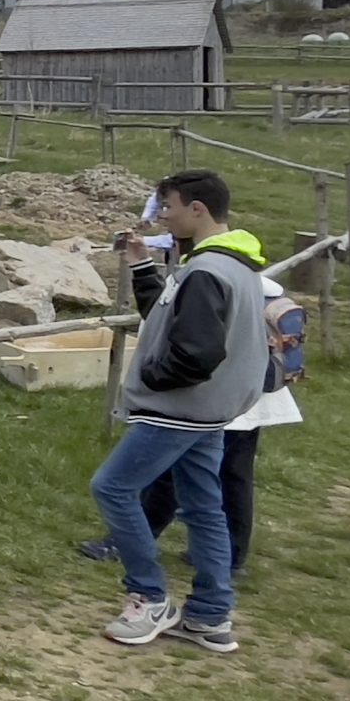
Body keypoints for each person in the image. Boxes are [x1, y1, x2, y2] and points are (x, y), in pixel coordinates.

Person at [90, 170, 269, 654]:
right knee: (204, 507)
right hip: (210, 411)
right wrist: (141, 267)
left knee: (112, 487)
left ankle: (148, 597)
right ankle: (210, 614)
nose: (162, 217)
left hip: (178, 409)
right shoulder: (234, 265)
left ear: (197, 209)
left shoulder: (206, 272)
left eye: (167, 206)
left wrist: (151, 378)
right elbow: (168, 320)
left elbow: (195, 353)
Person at [80, 278, 305, 573]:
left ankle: (128, 542)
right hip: (249, 396)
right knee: (233, 477)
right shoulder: (251, 280)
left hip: (215, 396)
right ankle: (232, 555)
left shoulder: (207, 278)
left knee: (168, 475)